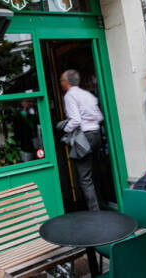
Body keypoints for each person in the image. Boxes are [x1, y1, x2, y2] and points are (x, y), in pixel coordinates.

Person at [60, 69, 104, 211]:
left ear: (66, 82)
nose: (61, 83)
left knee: (85, 178)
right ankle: (101, 204)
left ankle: (95, 212)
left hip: (83, 137)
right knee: (94, 172)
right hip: (96, 134)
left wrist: (65, 130)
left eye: (61, 81)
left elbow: (76, 120)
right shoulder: (87, 94)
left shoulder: (69, 96)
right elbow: (100, 117)